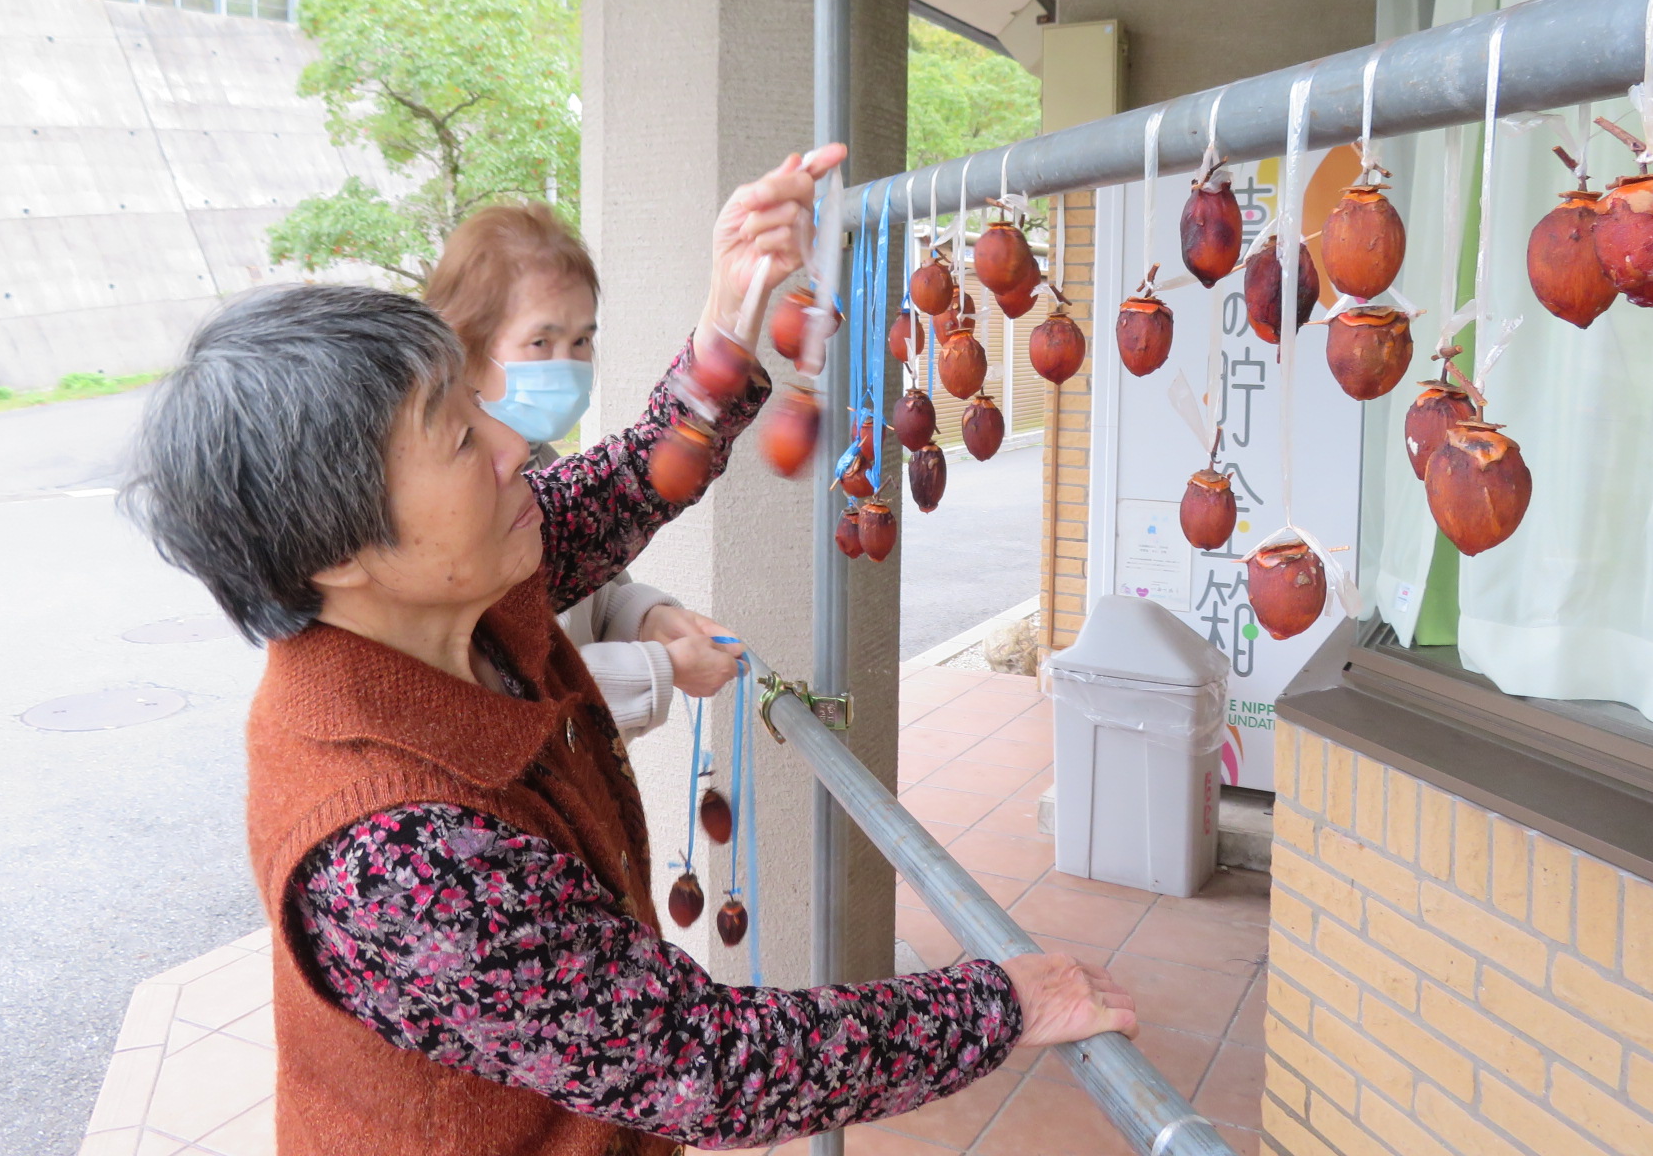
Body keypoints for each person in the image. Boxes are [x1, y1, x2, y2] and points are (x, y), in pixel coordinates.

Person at [125, 150, 1136, 1155]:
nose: (512, 442)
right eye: (456, 434)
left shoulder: (454, 595)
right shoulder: (393, 855)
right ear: (338, 546)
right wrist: (996, 1005)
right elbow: (708, 1065)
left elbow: (630, 480)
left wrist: (730, 309)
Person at [422, 201, 740, 738]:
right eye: (541, 342)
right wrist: (662, 669)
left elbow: (591, 578)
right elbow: (493, 690)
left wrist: (647, 619)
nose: (566, 364)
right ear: (466, 348)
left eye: (582, 341)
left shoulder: (541, 458)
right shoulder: (443, 502)